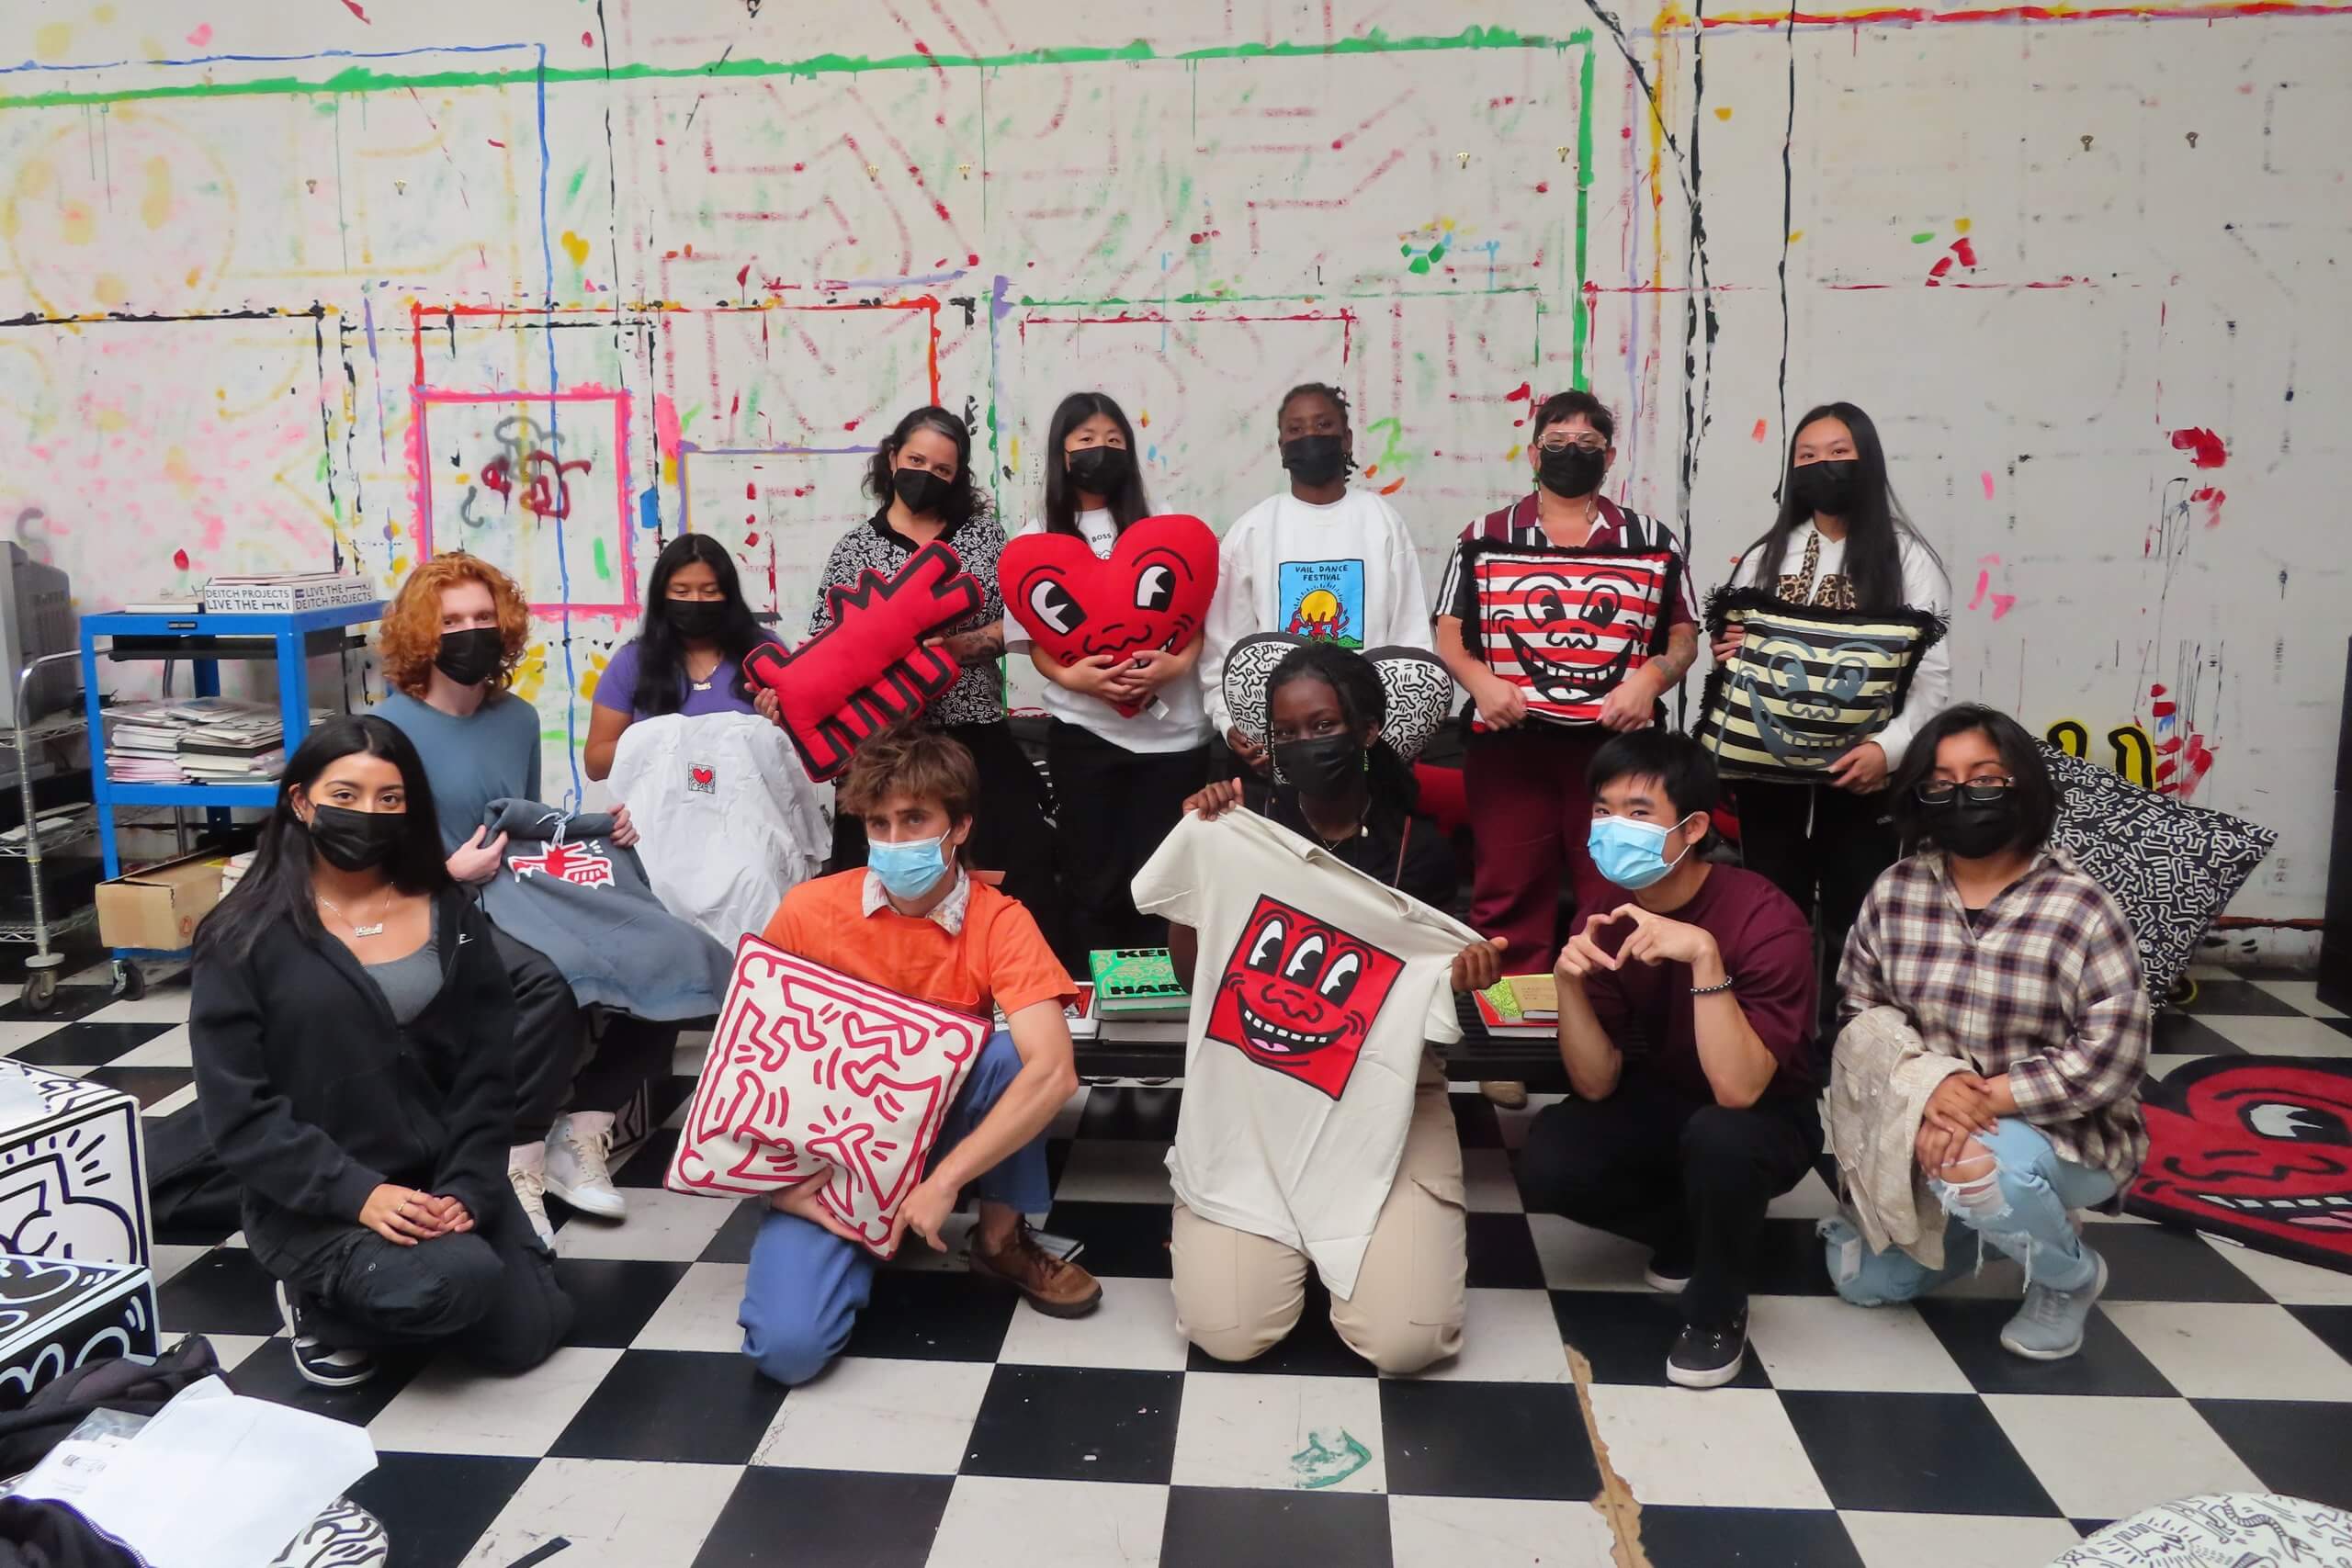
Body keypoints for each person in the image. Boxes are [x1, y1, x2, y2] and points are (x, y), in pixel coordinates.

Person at [190, 716, 572, 1388]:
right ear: (301, 801)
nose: (367, 814)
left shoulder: (449, 910)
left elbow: (488, 1068)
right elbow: (238, 1112)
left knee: (526, 1334)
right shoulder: (242, 936)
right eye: (346, 794)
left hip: (439, 1173)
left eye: (389, 800)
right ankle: (315, 1301)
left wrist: (467, 1188)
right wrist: (360, 1193)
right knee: (459, 1281)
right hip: (319, 1197)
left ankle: (439, 1275)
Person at [1157, 643, 1504, 1374]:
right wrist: (1200, 866)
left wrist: (1462, 978)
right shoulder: (1243, 823)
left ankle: (1350, 1248)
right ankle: (1278, 1242)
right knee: (1230, 1329)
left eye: (1323, 726)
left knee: (1408, 1339)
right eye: (1288, 732)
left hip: (1388, 1091)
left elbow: (1433, 1003)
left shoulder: (1423, 849)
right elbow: (1197, 977)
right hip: (1258, 1087)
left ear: (1368, 729)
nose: (1305, 744)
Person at [737, 725, 1102, 1386]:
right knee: (787, 1351)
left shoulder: (1000, 918)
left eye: (914, 819)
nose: (895, 840)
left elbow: (1055, 1070)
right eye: (879, 822)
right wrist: (781, 1185)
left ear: (959, 826)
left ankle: (997, 1241)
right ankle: (863, 1234)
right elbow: (746, 1063)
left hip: (939, 1134)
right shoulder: (807, 910)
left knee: (1011, 1056)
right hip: (832, 1154)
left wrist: (940, 1182)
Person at [1823, 705, 2151, 1360]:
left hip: (2064, 1130)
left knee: (1974, 1164)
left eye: (1985, 777)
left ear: (2023, 786)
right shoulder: (1896, 891)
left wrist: (1982, 1099)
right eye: (1940, 782)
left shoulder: (2080, 904)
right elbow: (1860, 1014)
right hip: (1928, 1114)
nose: (1962, 795)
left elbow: (2112, 1056)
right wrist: (1930, 1090)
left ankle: (2070, 1276)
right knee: (1864, 1283)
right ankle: (1985, 1222)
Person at [1517, 730, 1822, 1388]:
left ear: (1693, 829)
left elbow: (1740, 1089)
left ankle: (1716, 1305)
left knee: (1722, 1137)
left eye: (1637, 812)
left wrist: (1705, 957)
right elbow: (1596, 1084)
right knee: (1550, 1155)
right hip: (1666, 1096)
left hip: (1766, 1114)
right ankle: (1704, 1229)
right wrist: (1568, 983)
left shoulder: (1766, 918)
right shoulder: (1602, 913)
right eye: (1601, 810)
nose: (1611, 828)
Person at [375, 555, 647, 1243]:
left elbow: (523, 827)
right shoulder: (387, 730)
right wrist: (448, 869)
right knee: (548, 981)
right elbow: (374, 859)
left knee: (665, 958)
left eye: (483, 619)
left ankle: (581, 1129)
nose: (472, 632)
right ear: (421, 634)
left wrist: (601, 831)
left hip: (513, 892)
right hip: (433, 906)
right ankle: (515, 1155)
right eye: (453, 621)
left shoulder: (518, 719)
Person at [1432, 389, 1700, 976]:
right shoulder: (1483, 535)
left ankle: (1606, 1029)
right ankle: (1506, 1043)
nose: (1571, 452)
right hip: (1509, 750)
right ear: (1533, 454)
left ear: (1609, 458)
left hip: (1615, 751)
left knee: (1616, 893)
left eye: (1587, 444)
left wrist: (1649, 682)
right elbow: (1448, 633)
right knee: (1505, 895)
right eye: (1557, 442)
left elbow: (1684, 637)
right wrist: (1479, 681)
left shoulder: (1652, 540)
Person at [808, 404, 1065, 960]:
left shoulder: (984, 541)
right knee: (872, 881)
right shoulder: (855, 550)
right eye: (917, 459)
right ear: (893, 457)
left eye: (943, 469)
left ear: (959, 477)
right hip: (880, 745)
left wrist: (960, 647)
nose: (926, 475)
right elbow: (822, 645)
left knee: (1016, 865)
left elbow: (1022, 621)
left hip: (972, 734)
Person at [1717, 402, 1951, 992]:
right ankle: (1779, 1037)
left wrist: (1887, 752)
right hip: (1769, 776)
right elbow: (1735, 661)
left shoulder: (1910, 560)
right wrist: (1731, 650)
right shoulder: (1764, 556)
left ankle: (1854, 1038)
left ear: (1867, 461)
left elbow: (1931, 679)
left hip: (1865, 774)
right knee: (1773, 911)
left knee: (1859, 914)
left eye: (1840, 454)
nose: (1824, 466)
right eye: (1808, 456)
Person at [1005, 391, 1212, 956]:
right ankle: (1098, 998)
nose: (1102, 450)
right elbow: (1033, 642)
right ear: (1062, 453)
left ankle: (1168, 1001)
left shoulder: (1169, 525)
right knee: (1091, 878)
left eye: (1114, 440)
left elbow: (1195, 617)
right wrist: (1079, 681)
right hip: (1085, 738)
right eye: (1087, 441)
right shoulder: (1034, 540)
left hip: (1174, 742)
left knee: (1165, 879)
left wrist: (1175, 666)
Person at [1200, 381, 1433, 772]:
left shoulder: (1382, 522)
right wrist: (1229, 722)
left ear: (1347, 439)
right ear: (1281, 447)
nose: (1309, 435)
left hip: (1365, 742)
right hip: (1282, 744)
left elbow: (1411, 642)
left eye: (1323, 425)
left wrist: (1387, 737)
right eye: (1296, 429)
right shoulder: (1253, 530)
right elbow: (1224, 649)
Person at [582, 533, 785, 780]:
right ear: (661, 596)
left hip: (751, 812)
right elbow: (595, 764)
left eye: (710, 592)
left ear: (729, 596)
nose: (696, 601)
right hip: (659, 816)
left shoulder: (763, 652)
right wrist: (656, 738)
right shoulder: (632, 662)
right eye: (681, 591)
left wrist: (776, 722)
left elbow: (802, 742)